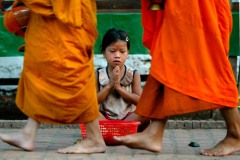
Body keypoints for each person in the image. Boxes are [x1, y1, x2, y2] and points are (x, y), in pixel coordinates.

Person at [114, 0, 240, 156]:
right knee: (166, 60)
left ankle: (236, 133)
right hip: (178, 7)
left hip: (196, 8)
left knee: (207, 63)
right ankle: (154, 133)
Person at [0, 0, 106, 154]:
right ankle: (28, 133)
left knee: (71, 76)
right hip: (46, 25)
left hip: (67, 22)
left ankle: (95, 139)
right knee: (40, 72)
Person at [96, 28, 147, 124]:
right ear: (104, 52)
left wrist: (119, 88)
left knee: (147, 111)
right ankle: (115, 130)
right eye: (112, 51)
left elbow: (140, 102)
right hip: (105, 119)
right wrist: (109, 86)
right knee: (87, 111)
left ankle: (120, 128)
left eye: (122, 51)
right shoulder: (99, 74)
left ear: (128, 53)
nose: (117, 55)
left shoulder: (133, 74)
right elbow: (93, 103)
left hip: (128, 118)